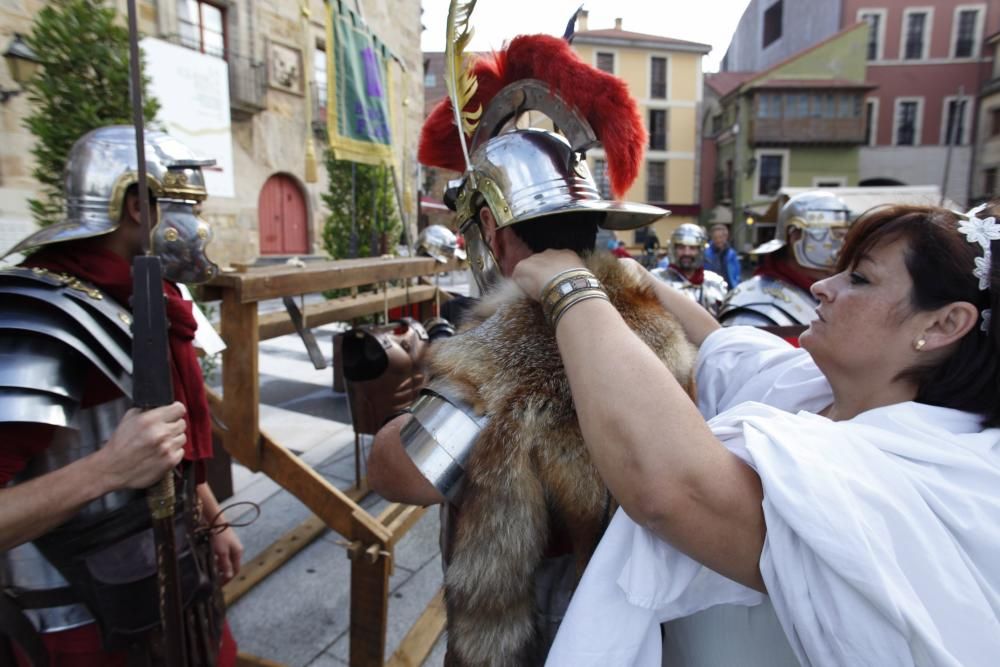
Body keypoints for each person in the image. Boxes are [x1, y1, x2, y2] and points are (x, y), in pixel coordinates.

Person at [509, 202, 1000, 666]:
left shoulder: (912, 481)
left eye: (861, 278)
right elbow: (720, 346)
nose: (825, 287)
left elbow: (673, 489)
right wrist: (628, 279)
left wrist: (568, 288)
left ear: (943, 325)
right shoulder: (814, 388)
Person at [367, 33, 690, 666]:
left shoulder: (511, 342)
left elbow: (396, 471)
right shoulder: (651, 315)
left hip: (540, 632)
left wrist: (435, 376)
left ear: (490, 227)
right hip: (635, 620)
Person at [0, 126, 242, 666]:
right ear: (138, 205)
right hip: (80, 622)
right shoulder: (37, 318)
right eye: (183, 204)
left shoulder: (153, 298)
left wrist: (212, 517)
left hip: (177, 579)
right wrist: (107, 470)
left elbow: (169, 444)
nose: (199, 223)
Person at [718, 190, 850, 330]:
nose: (845, 245)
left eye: (846, 236)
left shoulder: (836, 294)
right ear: (795, 236)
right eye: (837, 235)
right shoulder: (755, 305)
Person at [651, 223, 728, 315]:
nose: (686, 253)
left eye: (692, 248)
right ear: (673, 249)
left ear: (700, 250)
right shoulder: (656, 280)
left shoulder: (716, 283)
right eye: (681, 247)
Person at [703, 223, 741, 287]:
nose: (718, 240)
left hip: (729, 289)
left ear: (726, 237)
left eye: (720, 237)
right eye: (715, 238)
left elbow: (736, 274)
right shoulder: (705, 253)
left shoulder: (732, 254)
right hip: (711, 288)